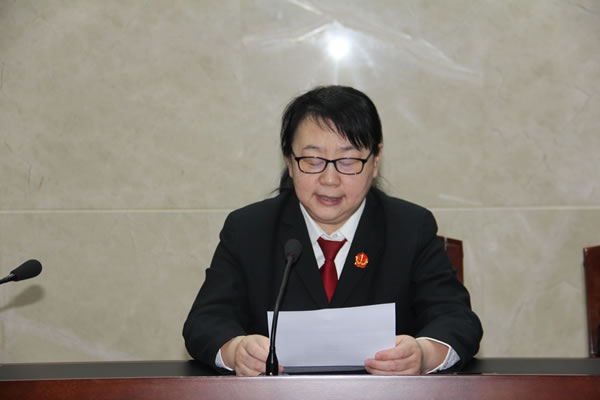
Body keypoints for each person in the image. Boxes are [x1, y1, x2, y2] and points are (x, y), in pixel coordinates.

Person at [183, 85, 483, 376]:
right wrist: (236, 351)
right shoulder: (249, 229)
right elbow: (205, 322)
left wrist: (424, 354)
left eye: (348, 161)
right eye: (313, 160)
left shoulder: (410, 227)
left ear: (375, 161)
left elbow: (457, 320)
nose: (329, 179)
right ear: (289, 161)